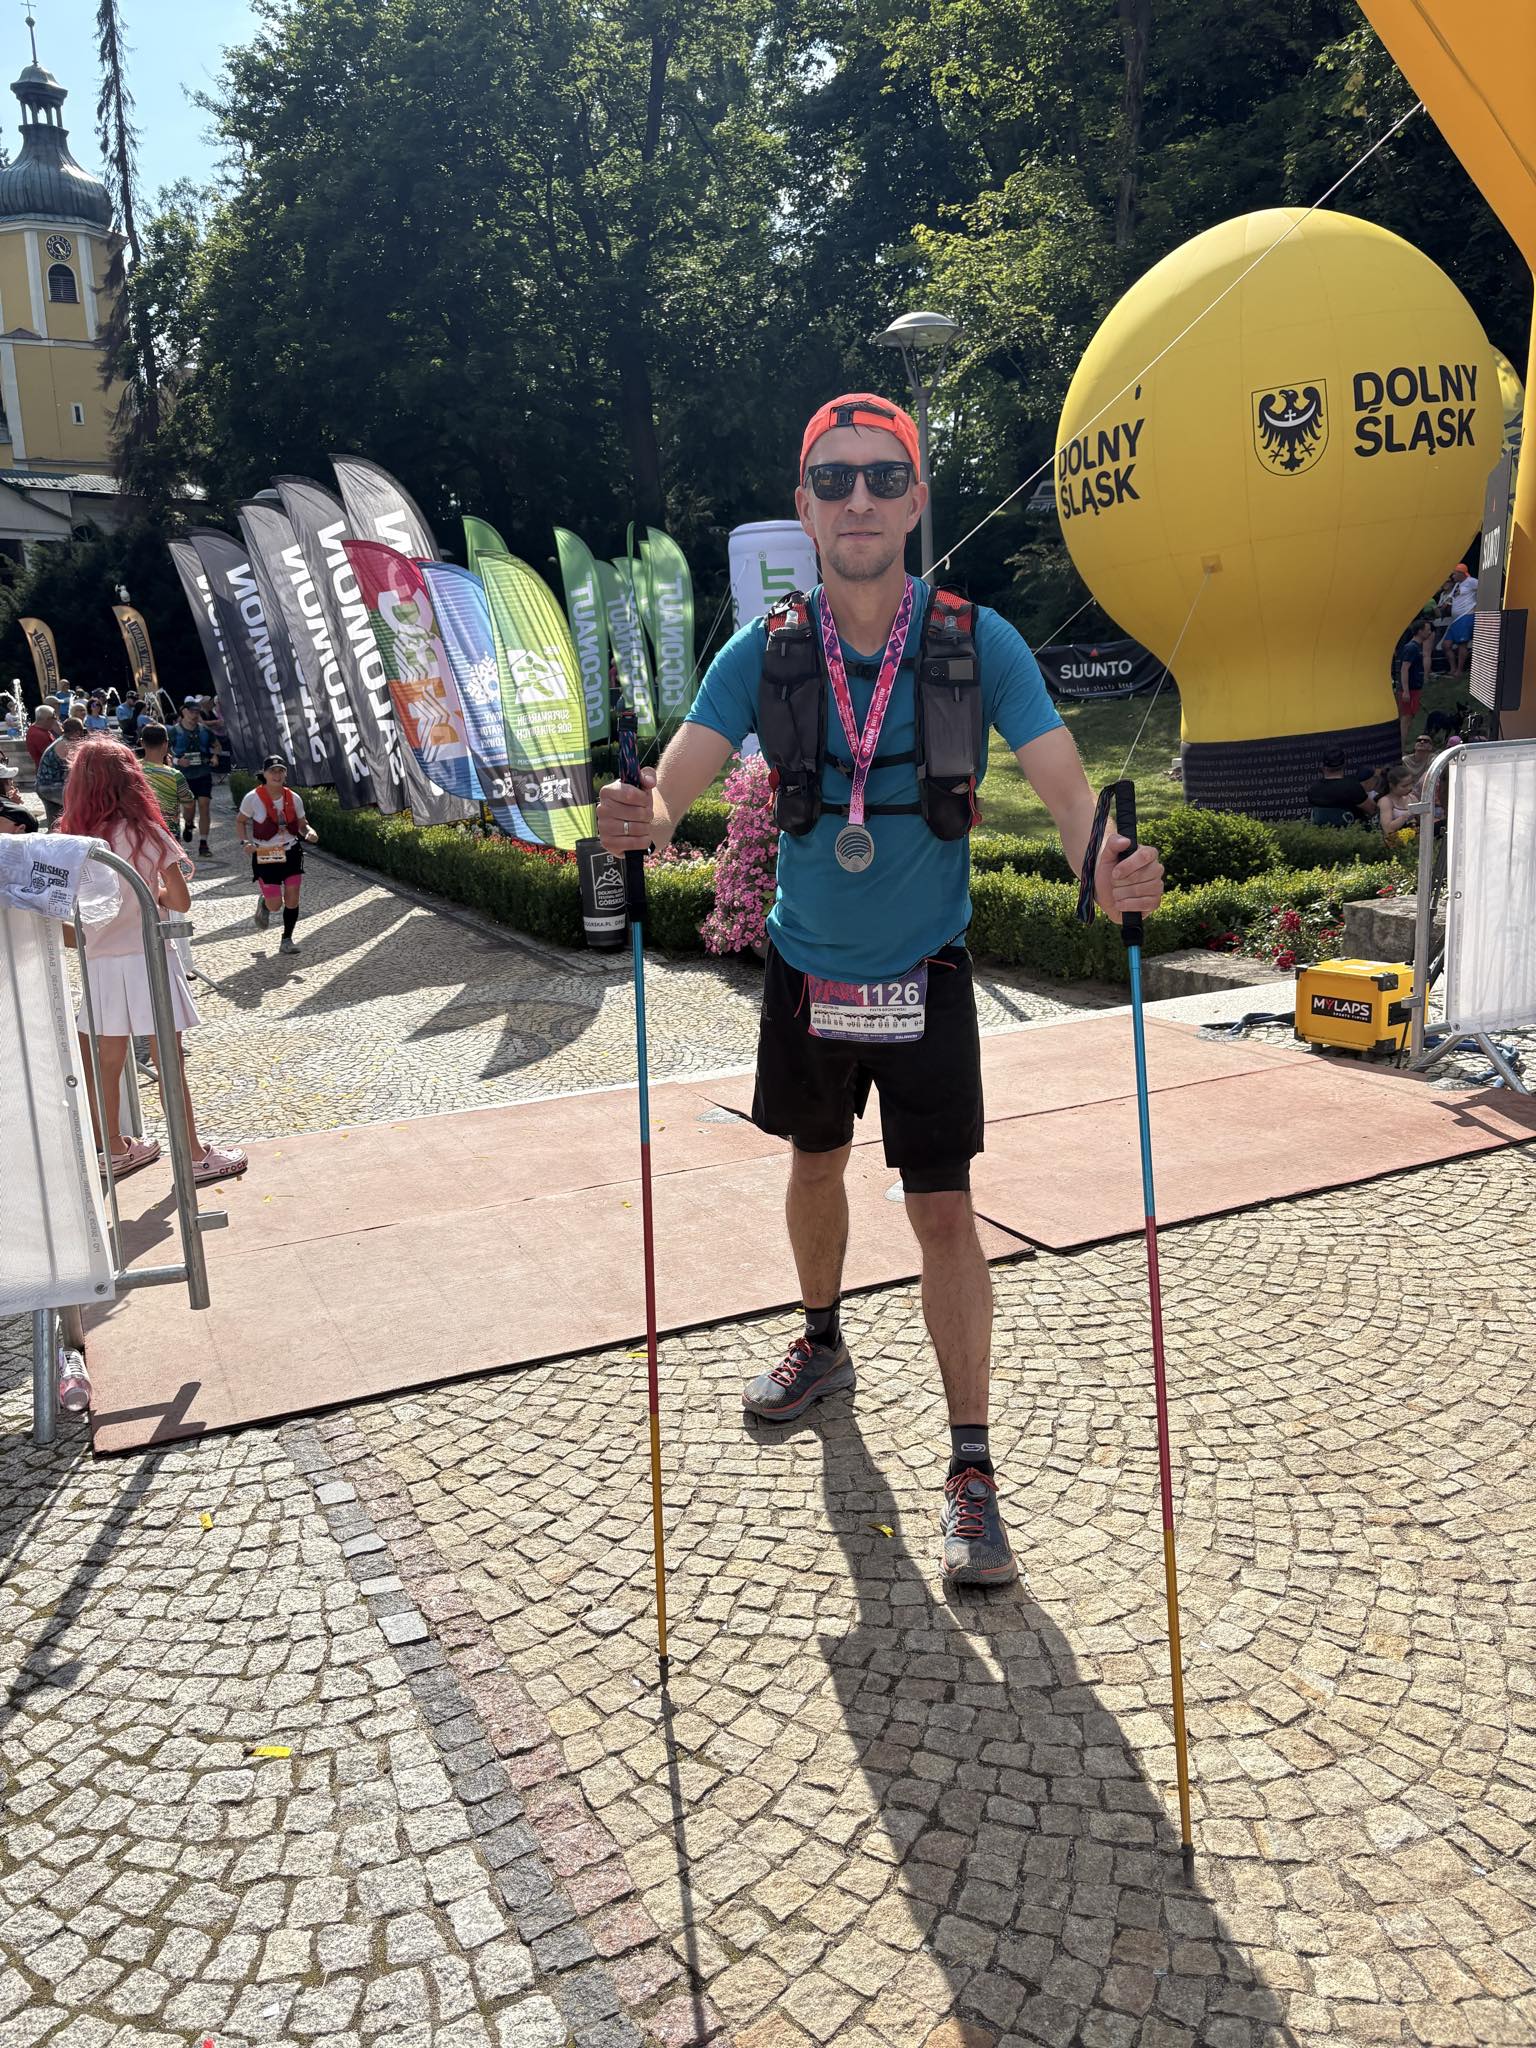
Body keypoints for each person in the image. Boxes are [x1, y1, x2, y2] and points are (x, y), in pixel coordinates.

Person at [596, 391, 1164, 1589]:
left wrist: (1108, 866)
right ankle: (821, 1340)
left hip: (928, 976)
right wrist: (634, 817)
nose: (858, 498)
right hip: (809, 972)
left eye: (883, 477)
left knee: (944, 1211)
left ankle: (971, 1466)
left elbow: (1070, 799)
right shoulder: (765, 653)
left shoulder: (977, 643)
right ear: (805, 508)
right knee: (814, 1166)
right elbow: (671, 792)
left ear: (915, 502)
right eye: (834, 479)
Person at [58, 737, 246, 1184]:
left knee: (108, 1057)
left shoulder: (70, 838)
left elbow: (67, 917)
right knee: (168, 1059)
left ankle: (113, 1148)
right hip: (150, 955)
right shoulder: (146, 832)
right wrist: (151, 893)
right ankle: (193, 1155)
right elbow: (180, 900)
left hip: (101, 961)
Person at [236, 754, 318, 955]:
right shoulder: (252, 798)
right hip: (265, 853)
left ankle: (287, 939)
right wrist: (245, 842)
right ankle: (265, 902)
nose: (277, 775)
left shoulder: (294, 798)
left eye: (281, 771)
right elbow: (240, 821)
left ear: (285, 774)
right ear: (264, 774)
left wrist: (309, 832)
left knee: (293, 898)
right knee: (275, 905)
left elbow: (302, 824)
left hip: (291, 851)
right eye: (272, 771)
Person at [170, 699, 218, 857]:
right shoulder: (174, 731)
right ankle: (189, 824)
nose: (195, 715)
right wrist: (177, 761)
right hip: (184, 775)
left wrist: (214, 756)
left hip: (203, 772)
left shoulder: (205, 730)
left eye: (197, 712)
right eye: (192, 711)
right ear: (184, 712)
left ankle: (204, 844)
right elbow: (165, 750)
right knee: (189, 808)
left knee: (204, 805)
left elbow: (216, 745)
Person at [138, 722, 194, 832]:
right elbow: (189, 805)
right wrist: (188, 822)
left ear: (142, 743)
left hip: (140, 832)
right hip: (168, 834)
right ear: (166, 744)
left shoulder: (131, 769)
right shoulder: (175, 776)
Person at [34, 714, 86, 823]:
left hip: (45, 785)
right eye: (82, 731)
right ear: (77, 732)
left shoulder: (62, 741)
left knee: (55, 821)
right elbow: (72, 771)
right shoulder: (65, 745)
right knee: (80, 806)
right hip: (51, 787)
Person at [1394, 617, 1435, 749]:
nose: (1429, 632)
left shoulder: (1417, 647)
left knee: (1409, 719)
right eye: (1427, 630)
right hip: (1409, 689)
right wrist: (1405, 691)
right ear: (1419, 631)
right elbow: (1404, 669)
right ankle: (1400, 748)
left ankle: (1401, 746)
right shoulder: (1411, 648)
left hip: (1414, 688)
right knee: (1405, 720)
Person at [1305, 754, 1374, 826]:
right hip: (1353, 831)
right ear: (1344, 765)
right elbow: (1372, 810)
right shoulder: (1352, 786)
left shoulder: (1313, 789)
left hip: (1322, 831)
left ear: (1324, 767)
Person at [1376, 761, 1420, 844]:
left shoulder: (1412, 798)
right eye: (1404, 786)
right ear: (1392, 785)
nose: (1409, 788)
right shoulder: (1385, 801)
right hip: (1394, 843)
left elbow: (1422, 821)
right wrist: (1407, 815)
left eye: (1411, 783)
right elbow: (1388, 829)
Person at [26, 702, 60, 768]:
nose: (56, 720)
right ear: (47, 719)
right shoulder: (38, 734)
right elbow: (52, 756)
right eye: (54, 717)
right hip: (48, 770)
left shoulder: (41, 729)